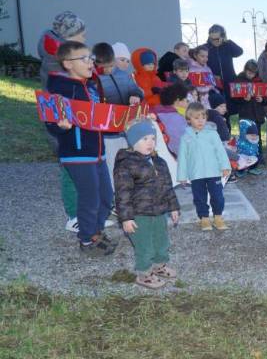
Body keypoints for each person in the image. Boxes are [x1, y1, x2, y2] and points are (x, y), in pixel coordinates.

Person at [46, 41, 115, 256]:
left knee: (106, 196)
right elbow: (50, 120)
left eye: (91, 58)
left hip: (97, 152)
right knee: (90, 197)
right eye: (84, 59)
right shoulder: (60, 89)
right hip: (77, 154)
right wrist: (60, 126)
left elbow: (101, 119)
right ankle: (86, 241)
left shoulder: (92, 87)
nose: (90, 62)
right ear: (68, 63)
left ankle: (96, 231)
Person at [113, 119, 180, 289]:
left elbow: (167, 186)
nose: (150, 143)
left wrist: (173, 207)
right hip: (139, 214)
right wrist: (126, 218)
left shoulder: (159, 162)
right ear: (133, 142)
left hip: (159, 211)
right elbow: (123, 193)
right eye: (144, 139)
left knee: (161, 240)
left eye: (152, 138)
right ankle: (144, 274)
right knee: (144, 244)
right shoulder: (126, 164)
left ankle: (159, 265)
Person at [37, 11, 86, 232]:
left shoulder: (63, 55)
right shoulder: (58, 60)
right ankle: (74, 215)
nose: (84, 38)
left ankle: (87, 210)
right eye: (81, 34)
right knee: (71, 166)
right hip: (62, 118)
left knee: (84, 165)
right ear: (69, 35)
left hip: (73, 115)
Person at [92, 42, 144, 190]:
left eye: (111, 66)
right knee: (110, 160)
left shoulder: (124, 76)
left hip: (125, 125)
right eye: (105, 67)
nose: (109, 70)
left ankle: (128, 189)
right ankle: (113, 192)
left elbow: (135, 90)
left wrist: (135, 95)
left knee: (126, 159)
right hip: (107, 128)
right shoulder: (94, 78)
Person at [177, 102, 231, 231]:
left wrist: (225, 166)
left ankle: (218, 217)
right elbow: (183, 158)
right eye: (196, 118)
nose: (200, 121)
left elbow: (220, 151)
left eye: (203, 117)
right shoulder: (185, 138)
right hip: (196, 174)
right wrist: (182, 176)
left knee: (218, 196)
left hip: (214, 172)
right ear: (189, 120)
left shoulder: (212, 134)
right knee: (199, 198)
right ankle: (204, 219)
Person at [233, 59, 267, 168]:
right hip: (245, 115)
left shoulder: (260, 81)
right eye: (249, 72)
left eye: (253, 73)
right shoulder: (238, 81)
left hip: (257, 115)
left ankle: (259, 157)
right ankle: (244, 159)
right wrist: (243, 99)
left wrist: (262, 99)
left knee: (257, 137)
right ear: (245, 70)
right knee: (245, 138)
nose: (251, 75)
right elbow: (234, 99)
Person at [37, 11, 87, 88]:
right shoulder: (68, 55)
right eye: (83, 36)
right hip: (67, 96)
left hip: (49, 95)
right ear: (70, 37)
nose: (84, 39)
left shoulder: (49, 45)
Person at [206, 24, 243, 120]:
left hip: (230, 83)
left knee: (232, 111)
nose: (214, 41)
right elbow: (195, 54)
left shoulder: (228, 45)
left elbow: (239, 52)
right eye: (212, 39)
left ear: (223, 36)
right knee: (219, 112)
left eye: (217, 38)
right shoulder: (206, 48)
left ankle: (231, 133)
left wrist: (227, 41)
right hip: (215, 86)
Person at [152, 83, 189, 157]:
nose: (188, 102)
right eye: (186, 100)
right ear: (178, 101)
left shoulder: (161, 112)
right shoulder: (175, 118)